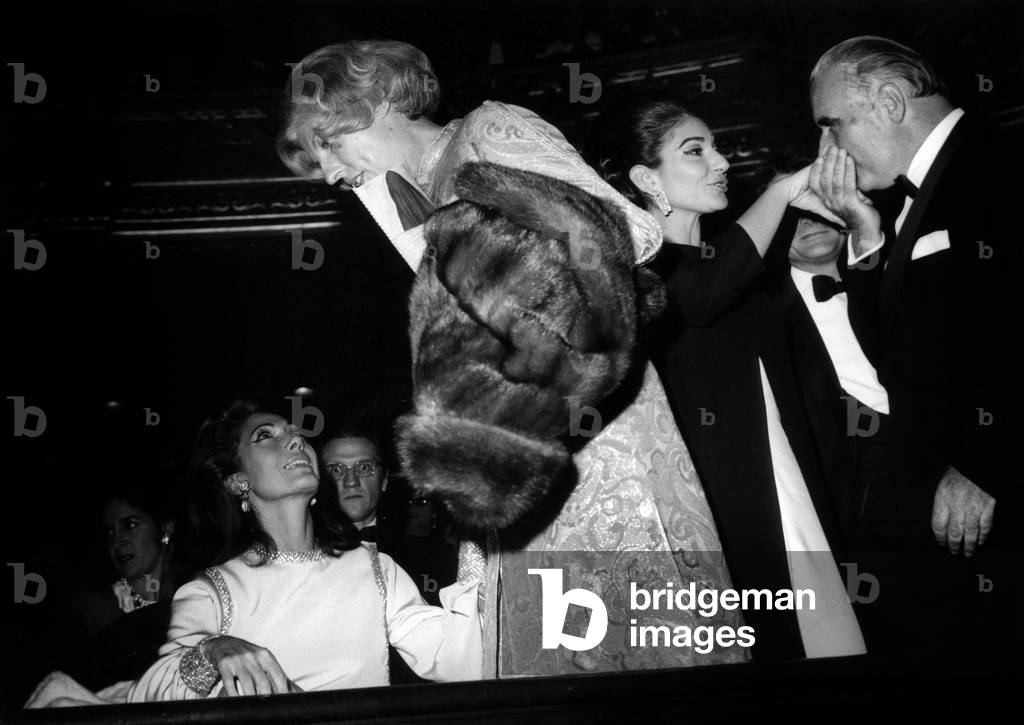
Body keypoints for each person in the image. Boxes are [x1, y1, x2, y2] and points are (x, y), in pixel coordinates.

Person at [279, 40, 746, 676]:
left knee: (639, 655)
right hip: (519, 462)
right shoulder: (419, 193)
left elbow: (624, 234)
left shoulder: (488, 128)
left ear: (377, 100)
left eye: (329, 144)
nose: (330, 172)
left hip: (592, 446)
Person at [592, 96, 866, 661]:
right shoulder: (636, 274)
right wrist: (784, 189)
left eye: (716, 148)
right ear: (646, 178)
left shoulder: (746, 268)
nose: (721, 162)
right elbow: (700, 293)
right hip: (724, 505)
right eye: (696, 151)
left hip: (796, 480)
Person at [26, 399, 481, 707]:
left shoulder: (374, 568)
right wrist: (215, 649)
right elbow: (156, 691)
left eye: (296, 433)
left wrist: (486, 533)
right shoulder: (213, 590)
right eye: (267, 436)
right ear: (237, 480)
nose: (296, 439)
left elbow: (460, 656)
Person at [807, 36, 1016, 665]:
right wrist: (866, 233)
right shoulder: (913, 197)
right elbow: (897, 356)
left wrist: (984, 464)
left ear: (890, 101)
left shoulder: (995, 164)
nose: (827, 150)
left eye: (832, 125)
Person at [67, 486, 184, 690]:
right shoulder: (97, 606)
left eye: (130, 525)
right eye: (110, 532)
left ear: (165, 528)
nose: (117, 542)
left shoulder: (197, 588)